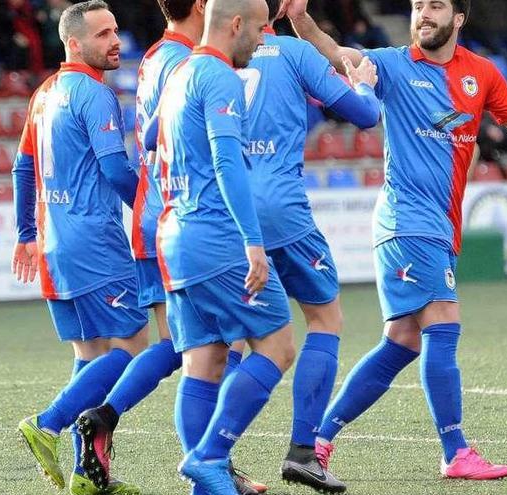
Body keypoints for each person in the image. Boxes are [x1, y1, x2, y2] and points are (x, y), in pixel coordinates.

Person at [286, 0, 507, 485]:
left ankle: (317, 440)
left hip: (437, 226)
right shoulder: (393, 63)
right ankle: (456, 450)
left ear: (458, 18)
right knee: (443, 325)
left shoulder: (480, 73)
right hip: (407, 222)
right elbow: (336, 53)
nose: (423, 13)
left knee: (401, 342)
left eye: (435, 6)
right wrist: (300, 20)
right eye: (418, 5)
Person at [73, 1, 270, 493]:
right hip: (180, 218)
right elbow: (176, 141)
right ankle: (184, 451)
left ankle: (208, 463)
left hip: (160, 218)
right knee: (215, 347)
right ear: (203, 7)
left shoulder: (161, 55)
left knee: (199, 351)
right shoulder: (189, 61)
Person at [225, 0, 380, 491]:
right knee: (324, 318)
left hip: (222, 214)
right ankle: (302, 452)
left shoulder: (207, 57)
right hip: (281, 212)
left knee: (227, 339)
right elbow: (364, 114)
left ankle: (214, 456)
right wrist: (365, 84)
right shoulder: (292, 53)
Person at [158, 1, 296, 493]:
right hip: (215, 237)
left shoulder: (179, 73)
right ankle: (210, 458)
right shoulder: (219, 76)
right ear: (235, 23)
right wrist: (253, 243)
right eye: (260, 28)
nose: (263, 39)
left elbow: (155, 145)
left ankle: (208, 484)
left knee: (206, 359)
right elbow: (227, 162)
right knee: (279, 345)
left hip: (176, 234)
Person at [12, 2, 148, 494]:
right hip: (95, 245)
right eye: (103, 34)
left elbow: (22, 168)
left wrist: (26, 234)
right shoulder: (93, 93)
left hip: (55, 246)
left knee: (91, 357)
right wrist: (152, 215)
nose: (116, 40)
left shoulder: (45, 93)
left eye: (115, 30)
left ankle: (87, 477)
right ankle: (47, 423)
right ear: (74, 43)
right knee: (135, 352)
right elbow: (115, 170)